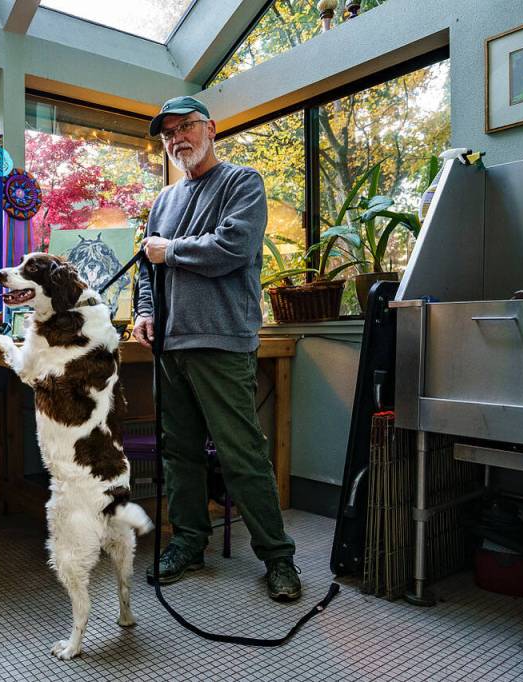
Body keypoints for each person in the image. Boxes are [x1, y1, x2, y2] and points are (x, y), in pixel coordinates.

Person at [134, 96, 301, 602]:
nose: (177, 139)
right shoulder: (162, 201)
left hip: (222, 341)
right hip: (170, 343)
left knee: (241, 452)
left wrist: (172, 251)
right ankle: (187, 540)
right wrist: (145, 311)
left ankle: (278, 557)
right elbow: (147, 266)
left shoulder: (242, 182)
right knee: (178, 451)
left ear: (211, 129)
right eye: (168, 134)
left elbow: (234, 248)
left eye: (186, 127)